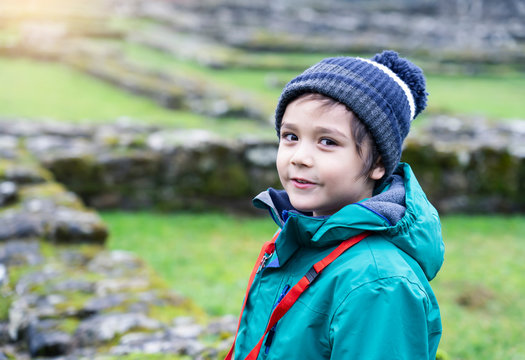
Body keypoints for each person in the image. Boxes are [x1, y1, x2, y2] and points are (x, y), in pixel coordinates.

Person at [227, 50, 445, 360]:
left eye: (327, 141)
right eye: (290, 136)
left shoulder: (379, 283)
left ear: (378, 164)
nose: (299, 157)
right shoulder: (297, 237)